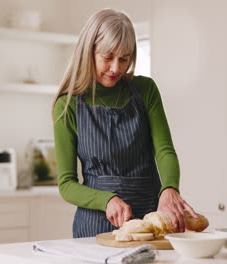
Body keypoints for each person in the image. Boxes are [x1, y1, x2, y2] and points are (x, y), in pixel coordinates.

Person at [52, 8, 197, 238]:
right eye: (108, 57)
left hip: (152, 220)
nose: (116, 68)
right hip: (94, 226)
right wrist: (107, 200)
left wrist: (169, 188)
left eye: (124, 59)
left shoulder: (145, 90)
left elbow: (164, 150)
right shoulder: (68, 104)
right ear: (88, 51)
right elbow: (66, 185)